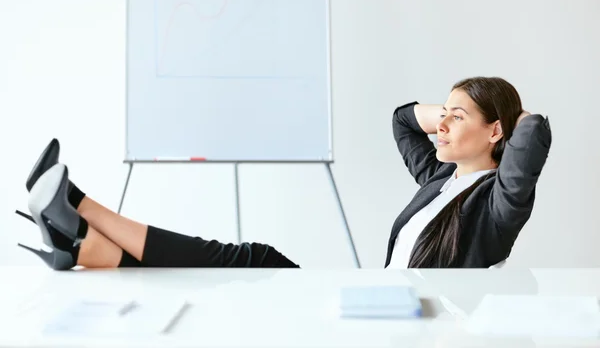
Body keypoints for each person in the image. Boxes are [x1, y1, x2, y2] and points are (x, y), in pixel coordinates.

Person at [16, 76, 551, 270]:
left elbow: (534, 135)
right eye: (444, 117)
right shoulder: (439, 183)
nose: (442, 127)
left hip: (401, 327)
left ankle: (79, 216)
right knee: (253, 261)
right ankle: (80, 236)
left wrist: (513, 116)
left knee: (253, 261)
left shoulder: (496, 207)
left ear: (497, 130)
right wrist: (447, 112)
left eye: (458, 118)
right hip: (379, 308)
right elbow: (401, 122)